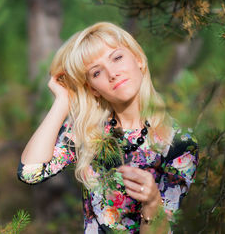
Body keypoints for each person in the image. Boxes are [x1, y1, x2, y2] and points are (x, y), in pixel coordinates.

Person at [17, 22, 199, 233]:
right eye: (96, 73)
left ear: (138, 59)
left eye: (117, 58)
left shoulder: (179, 142)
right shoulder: (88, 130)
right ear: (93, 90)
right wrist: (62, 101)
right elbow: (30, 172)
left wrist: (152, 202)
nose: (112, 73)